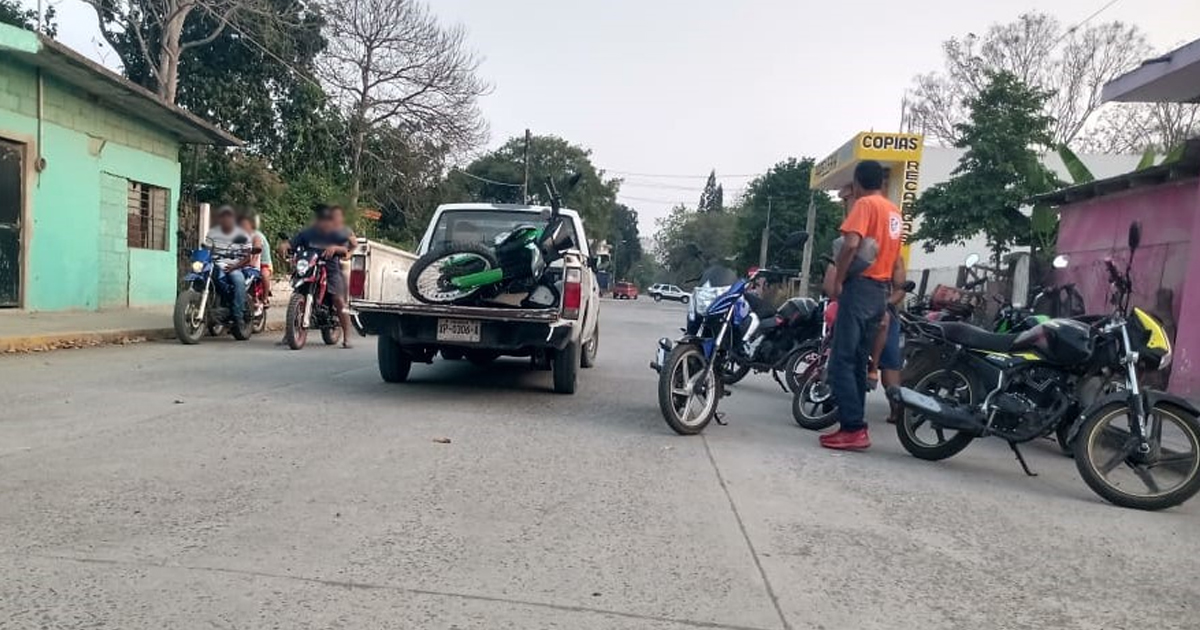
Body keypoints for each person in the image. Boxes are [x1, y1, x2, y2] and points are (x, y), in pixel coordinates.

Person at [821, 161, 904, 451]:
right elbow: (894, 258)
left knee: (841, 358)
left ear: (857, 183)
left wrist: (840, 279)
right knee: (858, 359)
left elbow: (852, 244)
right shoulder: (894, 212)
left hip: (861, 289)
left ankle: (853, 427)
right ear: (881, 182)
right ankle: (856, 425)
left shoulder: (865, 205)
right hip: (881, 291)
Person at [287, 204, 356, 348]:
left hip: (330, 267)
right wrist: (284, 246)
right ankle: (289, 332)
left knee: (338, 298)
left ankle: (347, 335)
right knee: (298, 292)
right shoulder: (307, 233)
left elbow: (346, 248)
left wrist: (335, 248)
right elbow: (292, 243)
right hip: (309, 266)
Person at [205, 205, 253, 330]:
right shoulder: (212, 233)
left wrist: (234, 267)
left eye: (229, 217)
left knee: (238, 281)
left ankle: (238, 316)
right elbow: (207, 250)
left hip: (234, 266)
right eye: (223, 217)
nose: (226, 220)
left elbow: (248, 257)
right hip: (215, 264)